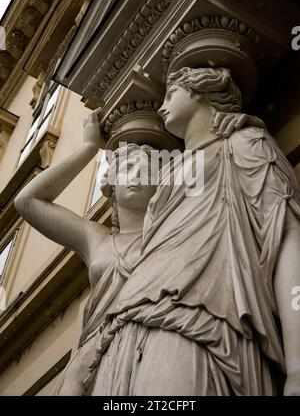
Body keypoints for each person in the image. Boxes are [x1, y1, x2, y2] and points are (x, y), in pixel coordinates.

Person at [14, 100, 266, 395]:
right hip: (100, 354)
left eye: (145, 169)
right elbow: (27, 202)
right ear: (110, 184)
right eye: (126, 168)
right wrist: (88, 149)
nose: (135, 176)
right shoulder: (98, 239)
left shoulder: (175, 231)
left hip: (161, 342)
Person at [83, 67, 300, 396]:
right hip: (128, 325)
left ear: (201, 92)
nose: (160, 106)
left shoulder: (244, 142)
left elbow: (285, 239)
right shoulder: (167, 177)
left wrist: (297, 366)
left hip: (201, 317)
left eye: (171, 95)